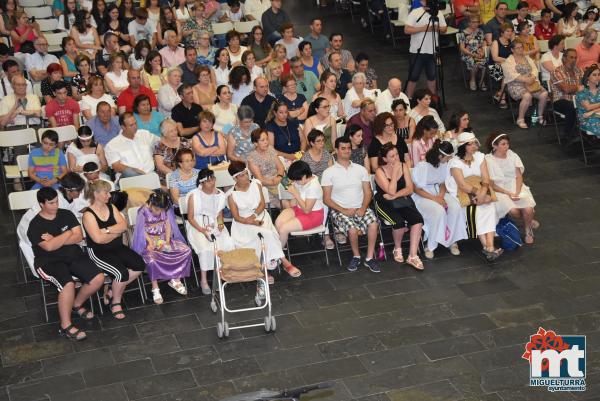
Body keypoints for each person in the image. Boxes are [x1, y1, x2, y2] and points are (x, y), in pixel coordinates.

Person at [26, 187, 104, 341]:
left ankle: (76, 304)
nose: (55, 206)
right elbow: (49, 247)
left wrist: (58, 237)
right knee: (68, 285)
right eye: (51, 203)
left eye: (56, 201)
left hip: (72, 255)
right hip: (48, 261)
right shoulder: (35, 225)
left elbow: (78, 237)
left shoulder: (66, 214)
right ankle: (66, 325)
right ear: (42, 204)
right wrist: (68, 233)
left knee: (98, 278)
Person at [82, 180, 145, 319]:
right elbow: (98, 240)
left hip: (117, 247)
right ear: (96, 194)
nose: (109, 195)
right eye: (106, 193)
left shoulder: (111, 207)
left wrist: (106, 230)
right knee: (121, 273)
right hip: (98, 252)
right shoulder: (88, 215)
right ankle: (115, 302)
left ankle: (111, 288)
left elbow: (124, 226)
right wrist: (115, 233)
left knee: (140, 265)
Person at [322, 137, 380, 273]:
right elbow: (326, 199)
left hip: (361, 207)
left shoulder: (360, 170)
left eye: (349, 148)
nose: (347, 151)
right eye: (343, 148)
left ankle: (370, 258)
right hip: (340, 210)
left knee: (374, 224)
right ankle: (356, 255)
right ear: (336, 151)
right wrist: (344, 210)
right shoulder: (329, 172)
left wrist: (363, 208)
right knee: (352, 229)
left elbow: (368, 192)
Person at [447, 132, 502, 262]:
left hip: (480, 190)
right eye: (470, 144)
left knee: (489, 208)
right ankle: (489, 248)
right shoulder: (455, 162)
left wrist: (482, 195)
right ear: (463, 146)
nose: (474, 146)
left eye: (474, 143)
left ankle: (489, 247)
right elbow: (462, 185)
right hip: (462, 194)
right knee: (479, 210)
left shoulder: (480, 157)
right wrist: (481, 195)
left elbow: (486, 178)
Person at [132, 190, 192, 304]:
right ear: (151, 203)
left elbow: (168, 224)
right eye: (157, 209)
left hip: (164, 238)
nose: (159, 212)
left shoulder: (166, 208)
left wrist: (168, 241)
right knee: (152, 259)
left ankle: (175, 279)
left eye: (162, 210)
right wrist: (150, 242)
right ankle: (155, 287)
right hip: (148, 241)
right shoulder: (143, 211)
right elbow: (140, 230)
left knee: (185, 250)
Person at [226, 161, 286, 273]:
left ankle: (266, 267)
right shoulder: (231, 195)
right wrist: (252, 222)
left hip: (260, 216)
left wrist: (254, 216)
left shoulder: (256, 183)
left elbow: (262, 204)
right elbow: (236, 217)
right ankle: (281, 261)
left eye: (246, 173)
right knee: (267, 234)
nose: (246, 177)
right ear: (235, 178)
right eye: (242, 175)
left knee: (267, 234)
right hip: (243, 224)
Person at [373, 142, 424, 269]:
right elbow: (390, 190)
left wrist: (395, 195)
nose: (396, 158)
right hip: (384, 203)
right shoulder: (379, 171)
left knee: (417, 220)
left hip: (401, 200)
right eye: (392, 156)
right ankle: (397, 248)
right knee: (399, 223)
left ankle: (412, 256)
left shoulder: (403, 166)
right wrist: (395, 173)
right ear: (385, 159)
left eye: (396, 154)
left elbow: (410, 188)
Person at [411, 141, 465, 258]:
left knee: (455, 207)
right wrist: (435, 199)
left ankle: (451, 241)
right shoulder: (422, 166)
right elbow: (417, 189)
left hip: (438, 193)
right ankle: (430, 245)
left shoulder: (444, 165)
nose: (449, 159)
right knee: (438, 211)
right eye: (448, 157)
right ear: (440, 156)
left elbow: (442, 183)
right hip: (423, 196)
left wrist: (440, 196)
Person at [186, 168, 234, 294]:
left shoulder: (220, 195)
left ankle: (220, 274)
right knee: (205, 248)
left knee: (226, 243)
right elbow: (190, 218)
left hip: (213, 223)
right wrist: (202, 230)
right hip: (197, 224)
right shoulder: (194, 195)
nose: (212, 183)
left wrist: (220, 224)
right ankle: (204, 280)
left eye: (213, 179)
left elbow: (219, 213)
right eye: (208, 181)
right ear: (201, 183)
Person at [485, 132, 538, 243]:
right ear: (494, 146)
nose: (506, 147)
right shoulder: (488, 160)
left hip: (514, 186)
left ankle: (528, 229)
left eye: (507, 144)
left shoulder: (512, 155)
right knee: (514, 211)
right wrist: (509, 193)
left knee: (528, 208)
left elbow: (518, 177)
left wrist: (517, 192)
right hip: (500, 190)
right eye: (503, 144)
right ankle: (527, 219)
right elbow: (492, 185)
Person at [275, 160, 326, 275]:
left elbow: (307, 210)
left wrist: (295, 193)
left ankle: (277, 256)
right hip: (299, 209)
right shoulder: (302, 181)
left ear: (303, 177)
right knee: (278, 222)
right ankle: (280, 252)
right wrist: (294, 190)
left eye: (297, 180)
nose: (296, 182)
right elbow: (294, 205)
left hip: (313, 215)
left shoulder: (314, 186)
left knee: (283, 229)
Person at [404, 0, 448, 97]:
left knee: (432, 77)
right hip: (417, 51)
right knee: (413, 77)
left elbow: (444, 29)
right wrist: (424, 28)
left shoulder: (438, 12)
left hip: (432, 51)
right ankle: (408, 99)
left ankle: (432, 100)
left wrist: (438, 29)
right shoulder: (415, 12)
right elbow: (407, 30)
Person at [502, 38, 549, 129]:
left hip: (531, 82)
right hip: (515, 84)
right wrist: (525, 79)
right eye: (518, 48)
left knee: (544, 93)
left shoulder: (527, 58)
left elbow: (535, 69)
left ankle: (540, 116)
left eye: (521, 47)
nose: (520, 49)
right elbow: (512, 75)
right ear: (512, 50)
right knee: (527, 96)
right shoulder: (508, 61)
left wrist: (533, 77)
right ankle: (520, 119)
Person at [106, 112, 159, 180]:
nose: (135, 127)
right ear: (123, 127)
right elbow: (116, 166)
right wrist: (138, 172)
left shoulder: (145, 134)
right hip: (130, 179)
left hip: (151, 175)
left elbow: (161, 143)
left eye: (135, 123)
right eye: (131, 125)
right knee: (129, 173)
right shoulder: (112, 145)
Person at [247, 127, 285, 208]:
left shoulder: (270, 149)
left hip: (280, 178)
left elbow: (281, 167)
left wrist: (279, 177)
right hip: (267, 185)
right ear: (255, 143)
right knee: (287, 200)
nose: (266, 142)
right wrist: (273, 182)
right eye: (262, 140)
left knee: (295, 193)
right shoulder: (252, 158)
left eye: (267, 139)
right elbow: (260, 179)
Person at [551, 48, 583, 141]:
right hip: (560, 100)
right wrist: (577, 87)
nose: (574, 60)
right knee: (571, 106)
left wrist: (575, 87)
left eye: (575, 58)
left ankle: (587, 129)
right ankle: (568, 133)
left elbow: (586, 86)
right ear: (564, 58)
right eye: (571, 57)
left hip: (577, 98)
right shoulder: (557, 72)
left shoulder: (579, 70)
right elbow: (566, 89)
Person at [154, 118, 192, 184]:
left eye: (175, 130)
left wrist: (186, 172)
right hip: (167, 178)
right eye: (171, 131)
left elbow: (193, 159)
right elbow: (159, 165)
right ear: (164, 134)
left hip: (186, 175)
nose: (175, 133)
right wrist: (176, 175)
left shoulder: (184, 141)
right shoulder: (159, 145)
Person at [460, 16, 488, 91]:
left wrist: (483, 51)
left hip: (479, 52)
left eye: (477, 22)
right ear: (469, 23)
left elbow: (484, 43)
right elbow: (462, 48)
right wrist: (472, 54)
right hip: (468, 53)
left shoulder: (480, 31)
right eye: (473, 22)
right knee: (474, 61)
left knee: (486, 60)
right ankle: (472, 79)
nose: (476, 24)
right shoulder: (463, 33)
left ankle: (481, 81)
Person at [576, 65, 600, 137]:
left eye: (599, 74)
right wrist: (592, 111)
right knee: (595, 122)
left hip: (595, 114)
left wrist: (593, 111)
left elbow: (591, 110)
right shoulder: (582, 91)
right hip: (587, 118)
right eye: (594, 75)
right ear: (587, 77)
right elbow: (588, 107)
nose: (597, 77)